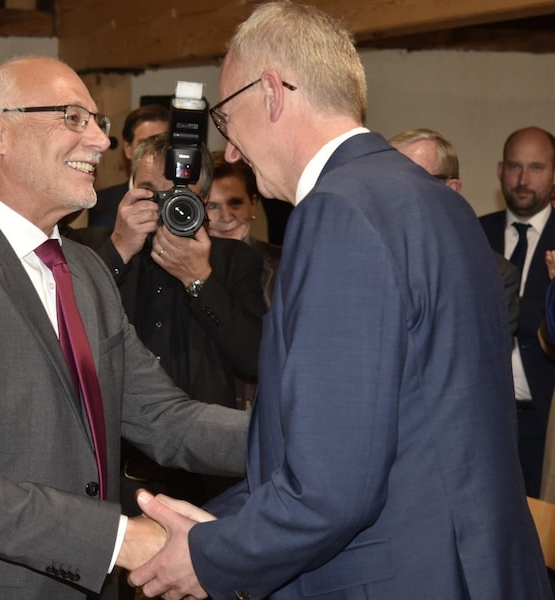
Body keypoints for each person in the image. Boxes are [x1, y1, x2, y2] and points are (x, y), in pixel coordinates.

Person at [128, 3, 551, 599]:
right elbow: (395, 429)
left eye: (226, 120)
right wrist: (218, 525)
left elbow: (332, 488)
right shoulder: (435, 202)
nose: (229, 153)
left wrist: (208, 557)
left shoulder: (338, 212)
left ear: (271, 92)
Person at [0, 55, 248, 600]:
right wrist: (123, 539)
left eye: (96, 121)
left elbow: (165, 418)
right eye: (73, 117)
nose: (97, 140)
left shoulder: (85, 268)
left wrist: (299, 439)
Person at [71, 133, 264, 499]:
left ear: (203, 201)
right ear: (128, 189)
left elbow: (254, 357)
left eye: (179, 195)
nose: (164, 206)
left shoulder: (233, 260)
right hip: (108, 469)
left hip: (205, 475)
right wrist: (118, 251)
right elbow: (66, 328)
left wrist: (199, 279)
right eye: (149, 192)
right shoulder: (87, 250)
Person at [480, 126, 555, 498]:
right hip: (484, 423)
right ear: (499, 170)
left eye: (537, 167)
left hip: (547, 427)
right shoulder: (472, 232)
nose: (523, 179)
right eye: (514, 166)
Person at [389, 127, 520, 336]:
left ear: (451, 190)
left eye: (414, 180)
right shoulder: (367, 260)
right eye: (389, 182)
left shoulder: (495, 275)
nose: (397, 194)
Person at [207, 149, 282, 308]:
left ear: (253, 204)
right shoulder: (181, 267)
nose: (227, 217)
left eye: (235, 203)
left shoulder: (287, 263)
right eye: (212, 206)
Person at [88, 104, 170, 226]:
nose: (155, 152)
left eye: (162, 143)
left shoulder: (187, 202)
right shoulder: (100, 206)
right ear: (128, 149)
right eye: (145, 144)